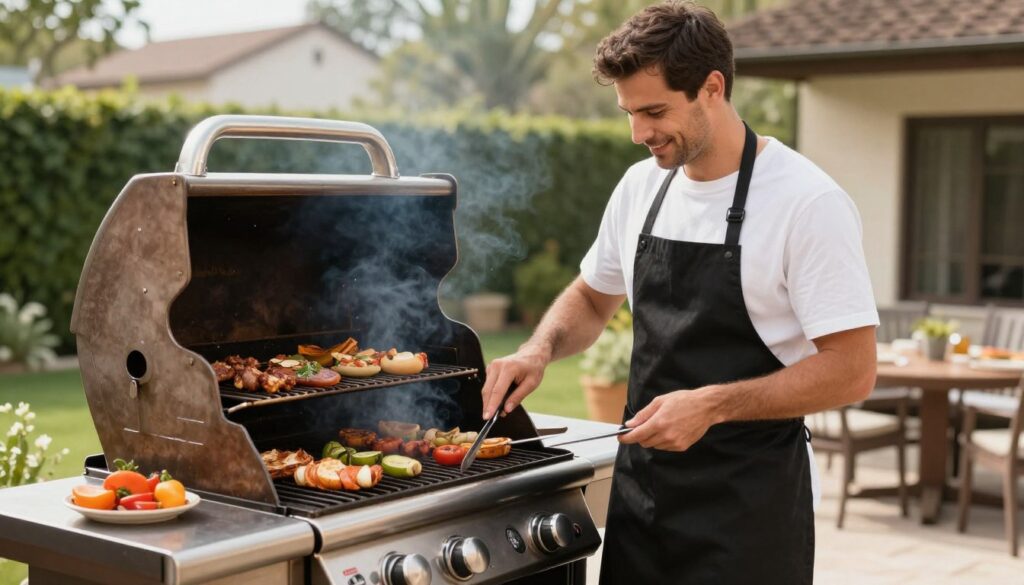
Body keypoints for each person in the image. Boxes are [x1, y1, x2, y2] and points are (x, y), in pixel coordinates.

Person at [480, 1, 879, 583]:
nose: (639, 133)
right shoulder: (642, 186)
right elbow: (594, 298)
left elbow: (853, 369)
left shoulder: (806, 202)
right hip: (643, 502)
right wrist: (538, 349)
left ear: (712, 88)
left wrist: (713, 405)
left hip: (749, 513)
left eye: (654, 111)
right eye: (628, 113)